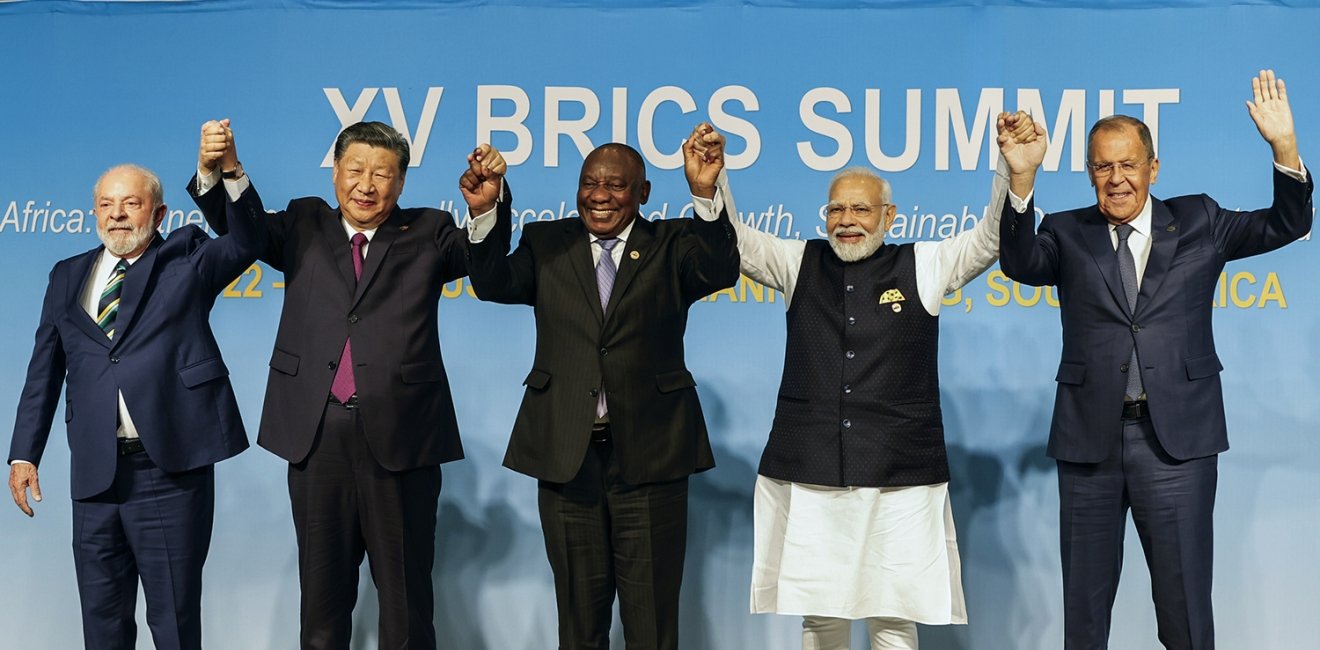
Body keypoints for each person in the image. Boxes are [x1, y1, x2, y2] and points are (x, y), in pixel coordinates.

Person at [688, 114, 1035, 650]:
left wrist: (1014, 175)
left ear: (889, 216)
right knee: (821, 617)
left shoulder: (926, 263)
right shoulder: (796, 260)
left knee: (893, 619)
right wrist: (712, 187)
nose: (846, 220)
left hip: (899, 476)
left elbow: (991, 239)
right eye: (836, 209)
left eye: (860, 209)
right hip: (812, 470)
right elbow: (734, 241)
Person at [998, 70, 1312, 650]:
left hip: (1178, 444)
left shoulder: (1199, 220)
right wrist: (1022, 179)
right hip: (1090, 443)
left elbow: (1288, 224)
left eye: (1127, 165)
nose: (1115, 179)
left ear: (1152, 168)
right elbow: (1018, 263)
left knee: (1185, 610)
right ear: (1090, 172)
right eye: (1101, 167)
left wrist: (1284, 149)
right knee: (1084, 617)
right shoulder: (1066, 231)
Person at [188, 121, 501, 649]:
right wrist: (228, 171)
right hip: (316, 435)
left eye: (383, 174)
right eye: (355, 169)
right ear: (335, 171)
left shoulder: (428, 229)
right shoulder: (305, 222)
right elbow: (241, 231)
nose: (367, 184)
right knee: (322, 606)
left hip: (402, 440)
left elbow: (485, 267)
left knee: (406, 605)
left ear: (401, 183)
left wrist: (485, 209)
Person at [459, 137, 739, 649]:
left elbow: (720, 270)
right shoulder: (547, 243)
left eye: (615, 184)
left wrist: (705, 190)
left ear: (644, 192)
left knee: (651, 624)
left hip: (651, 458)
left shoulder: (672, 243)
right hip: (569, 456)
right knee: (579, 623)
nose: (600, 195)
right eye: (590, 183)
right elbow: (493, 282)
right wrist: (485, 211)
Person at [7, 121, 259, 650]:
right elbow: (43, 370)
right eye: (106, 204)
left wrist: (227, 170)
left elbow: (248, 240)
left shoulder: (186, 258)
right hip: (96, 473)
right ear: (94, 211)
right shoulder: (66, 275)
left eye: (131, 203)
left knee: (172, 621)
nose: (117, 214)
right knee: (102, 622)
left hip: (167, 469)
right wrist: (24, 453)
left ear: (159, 214)